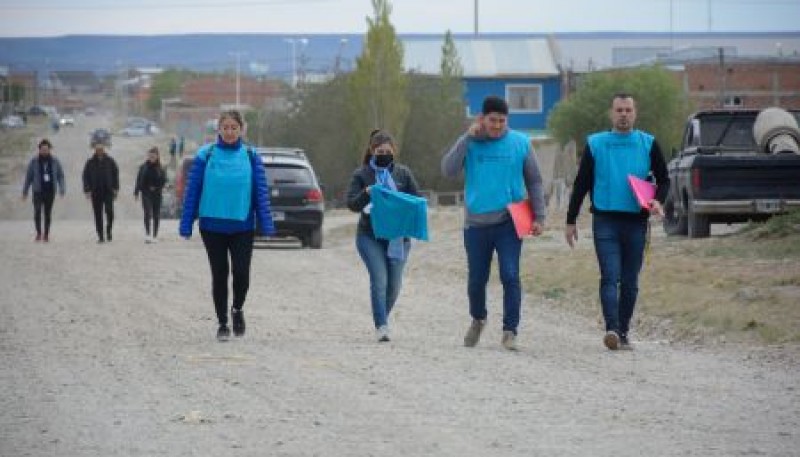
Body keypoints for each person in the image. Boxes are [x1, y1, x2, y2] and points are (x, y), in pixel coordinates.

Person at [564, 93, 669, 350]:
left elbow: (665, 179)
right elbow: (582, 184)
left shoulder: (648, 143)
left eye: (628, 110)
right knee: (610, 276)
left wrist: (658, 200)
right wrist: (570, 220)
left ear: (635, 113)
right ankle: (611, 329)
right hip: (605, 220)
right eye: (619, 110)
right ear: (611, 113)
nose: (623, 114)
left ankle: (623, 331)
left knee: (630, 281)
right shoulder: (596, 144)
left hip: (636, 222)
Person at [441, 95, 546, 351]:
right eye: (492, 121)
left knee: (510, 275)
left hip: (509, 222)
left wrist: (540, 216)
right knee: (477, 279)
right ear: (481, 119)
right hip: (476, 224)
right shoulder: (471, 143)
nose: (497, 126)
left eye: (502, 121)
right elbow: (447, 170)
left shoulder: (521, 143)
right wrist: (466, 139)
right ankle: (478, 318)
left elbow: (534, 181)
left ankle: (510, 331)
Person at [179, 110, 275, 341]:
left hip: (242, 225)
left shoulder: (251, 156)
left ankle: (237, 309)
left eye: (234, 127)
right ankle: (222, 323)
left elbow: (260, 192)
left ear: (241, 129)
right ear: (219, 129)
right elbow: (193, 191)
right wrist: (186, 223)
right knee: (219, 274)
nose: (230, 132)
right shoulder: (206, 155)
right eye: (226, 127)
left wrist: (266, 223)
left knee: (241, 273)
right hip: (212, 225)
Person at [346, 130, 421, 342]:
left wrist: (401, 202)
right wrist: (367, 193)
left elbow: (418, 200)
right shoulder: (361, 175)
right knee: (379, 279)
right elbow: (351, 204)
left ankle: (382, 317)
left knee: (394, 285)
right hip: (369, 236)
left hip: (398, 237)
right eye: (380, 151)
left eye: (388, 151)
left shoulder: (403, 174)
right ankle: (381, 326)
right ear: (372, 151)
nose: (384, 154)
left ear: (394, 151)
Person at [21, 138, 66, 242]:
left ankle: (46, 234)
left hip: (50, 191)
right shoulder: (34, 162)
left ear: (50, 150)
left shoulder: (55, 161)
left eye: (46, 149)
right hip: (38, 191)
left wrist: (62, 188)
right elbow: (28, 177)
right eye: (42, 149)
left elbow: (61, 176)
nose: (44, 151)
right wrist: (25, 192)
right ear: (39, 150)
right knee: (37, 211)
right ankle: (38, 233)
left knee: (47, 213)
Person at [82, 129, 119, 243]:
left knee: (110, 213)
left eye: (101, 148)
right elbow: (85, 177)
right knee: (98, 215)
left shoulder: (110, 161)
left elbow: (115, 174)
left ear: (104, 148)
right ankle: (101, 236)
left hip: (108, 191)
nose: (99, 150)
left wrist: (116, 188)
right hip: (96, 192)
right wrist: (87, 190)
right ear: (95, 149)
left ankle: (108, 230)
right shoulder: (89, 163)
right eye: (97, 148)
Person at [134, 147, 167, 243]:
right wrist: (136, 192)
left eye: (153, 156)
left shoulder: (161, 168)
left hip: (157, 193)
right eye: (150, 156)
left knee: (156, 214)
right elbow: (138, 180)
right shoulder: (143, 167)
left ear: (157, 156)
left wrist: (158, 186)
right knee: (147, 213)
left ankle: (155, 235)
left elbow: (164, 180)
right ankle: (148, 234)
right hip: (146, 192)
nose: (151, 157)